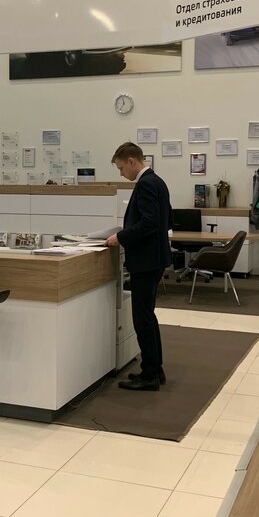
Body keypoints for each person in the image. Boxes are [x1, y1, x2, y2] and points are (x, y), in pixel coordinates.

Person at [107, 142, 172, 390]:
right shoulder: (158, 181)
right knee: (148, 317)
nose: (121, 174)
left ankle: (150, 375)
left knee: (142, 319)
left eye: (121, 168)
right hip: (155, 258)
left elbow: (149, 222)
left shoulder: (145, 184)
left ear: (132, 161)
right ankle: (154, 368)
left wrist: (120, 237)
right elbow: (166, 219)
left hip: (146, 261)